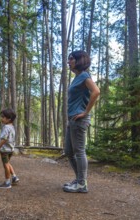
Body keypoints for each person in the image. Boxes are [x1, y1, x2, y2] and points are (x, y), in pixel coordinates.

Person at [63, 50, 100, 193]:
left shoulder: (84, 75)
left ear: (79, 60)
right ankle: (79, 179)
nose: (68, 61)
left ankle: (82, 184)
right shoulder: (77, 77)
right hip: (72, 119)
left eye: (71, 58)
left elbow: (96, 91)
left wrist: (85, 112)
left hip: (79, 119)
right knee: (69, 152)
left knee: (79, 151)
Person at [0, 108, 19, 189]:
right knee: (7, 163)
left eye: (3, 117)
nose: (1, 118)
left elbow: (4, 139)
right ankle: (14, 177)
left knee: (6, 165)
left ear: (9, 119)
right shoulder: (11, 127)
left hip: (5, 150)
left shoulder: (6, 127)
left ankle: (7, 183)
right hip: (10, 149)